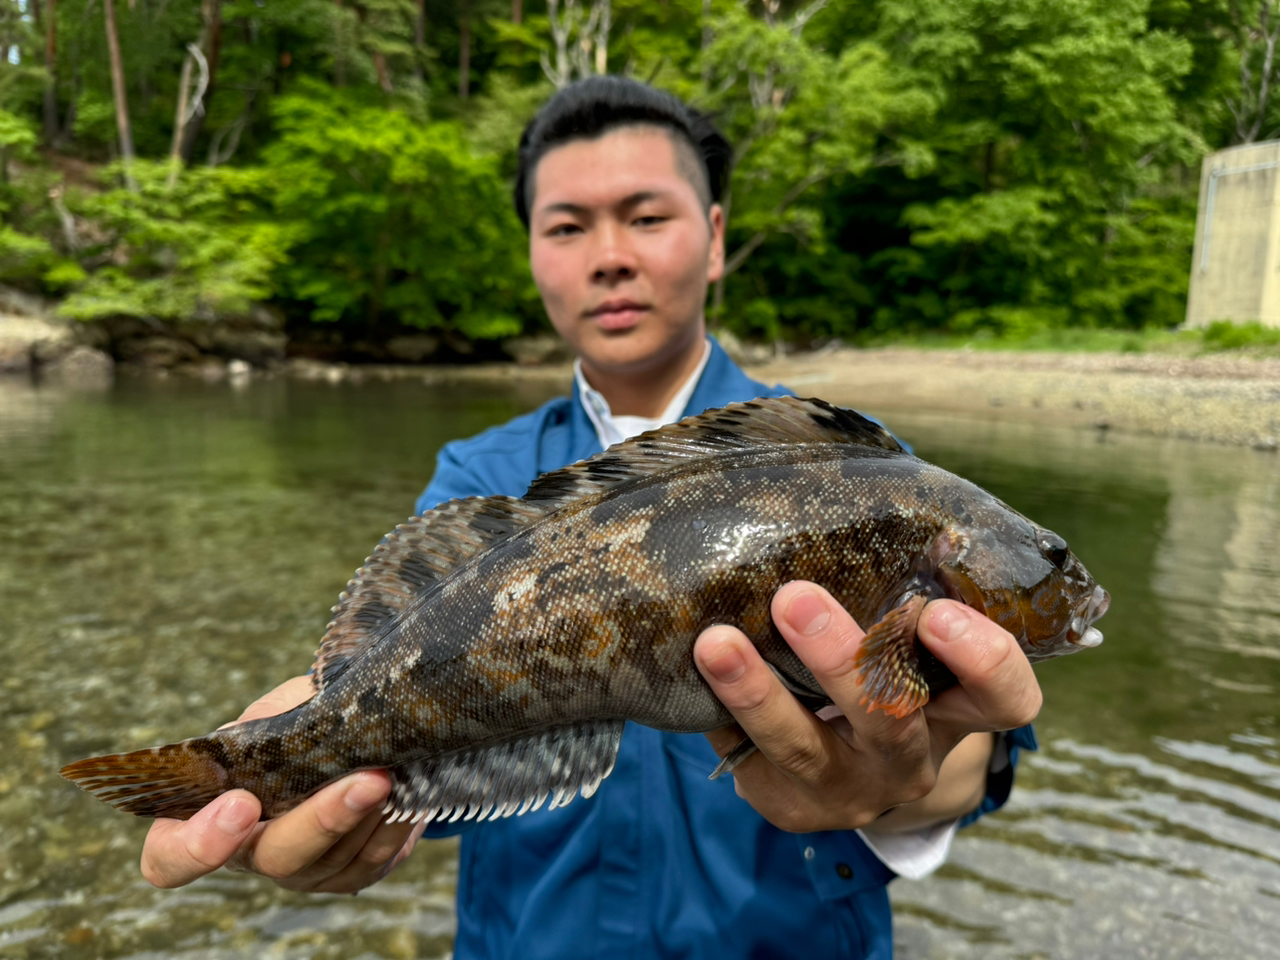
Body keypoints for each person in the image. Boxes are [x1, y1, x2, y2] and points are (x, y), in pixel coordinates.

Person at [137, 77, 1041, 959]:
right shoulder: (476, 476)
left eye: (647, 218)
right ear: (531, 252)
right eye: (567, 227)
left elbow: (967, 758)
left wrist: (906, 776)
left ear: (716, 238)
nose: (610, 255)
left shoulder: (862, 469)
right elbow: (418, 705)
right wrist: (333, 776)